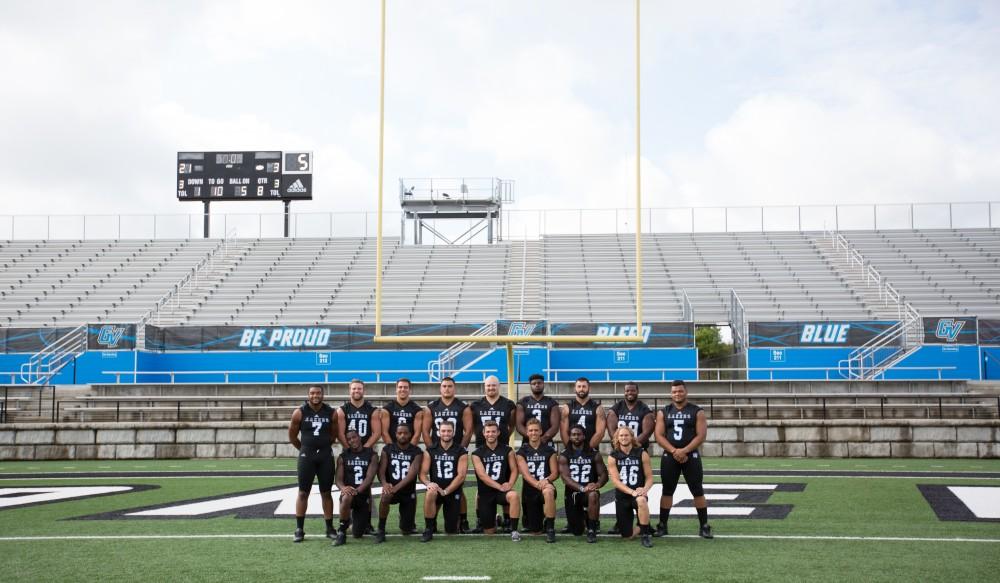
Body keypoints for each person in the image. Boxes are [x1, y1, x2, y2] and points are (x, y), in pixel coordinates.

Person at [654, 379, 713, 539]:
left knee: (697, 490)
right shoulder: (664, 411)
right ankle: (662, 525)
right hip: (669, 456)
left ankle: (704, 526)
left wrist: (685, 451)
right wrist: (674, 451)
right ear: (670, 393)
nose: (677, 394)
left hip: (691, 455)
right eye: (674, 392)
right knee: (667, 490)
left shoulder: (697, 411)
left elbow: (701, 435)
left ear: (685, 392)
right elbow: (658, 435)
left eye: (680, 391)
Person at [422, 376, 473, 531]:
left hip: (456, 451)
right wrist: (433, 450)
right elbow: (425, 430)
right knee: (434, 487)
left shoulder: (462, 407)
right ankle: (431, 524)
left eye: (450, 386)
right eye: (444, 386)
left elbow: (468, 430)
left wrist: (460, 450)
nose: (447, 389)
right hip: (437, 451)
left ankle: (463, 520)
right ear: (440, 388)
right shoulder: (432, 407)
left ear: (454, 388)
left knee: (458, 486)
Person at [287, 385, 336, 542]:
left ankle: (329, 528)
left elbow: (333, 435)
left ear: (323, 394)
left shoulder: (331, 412)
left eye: (318, 393)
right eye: (312, 393)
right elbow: (293, 436)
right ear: (308, 395)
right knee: (303, 492)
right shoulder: (300, 412)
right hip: (307, 456)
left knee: (326, 492)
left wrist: (321, 447)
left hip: (325, 455)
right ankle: (299, 529)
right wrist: (304, 448)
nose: (315, 395)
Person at [605, 381, 655, 534]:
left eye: (632, 390)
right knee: (622, 481)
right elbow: (612, 429)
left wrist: (632, 446)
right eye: (627, 390)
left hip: (637, 450)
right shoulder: (616, 408)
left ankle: (644, 524)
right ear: (624, 392)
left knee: (640, 486)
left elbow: (646, 431)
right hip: (620, 451)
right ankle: (621, 521)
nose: (630, 393)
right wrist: (621, 445)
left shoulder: (644, 409)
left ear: (637, 391)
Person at [471, 420, 522, 542]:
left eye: (493, 431)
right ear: (483, 433)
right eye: (488, 432)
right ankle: (496, 519)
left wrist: (510, 483)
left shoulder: (507, 450)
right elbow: (482, 476)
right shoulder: (477, 453)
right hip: (486, 492)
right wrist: (499, 486)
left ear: (498, 432)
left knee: (514, 495)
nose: (491, 434)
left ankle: (514, 530)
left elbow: (515, 470)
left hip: (502, 492)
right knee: (489, 532)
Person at [419, 420, 468, 542]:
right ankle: (429, 528)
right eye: (443, 431)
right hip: (436, 489)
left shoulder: (461, 451)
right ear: (438, 432)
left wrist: (446, 491)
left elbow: (461, 475)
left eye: (449, 431)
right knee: (430, 492)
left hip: (452, 491)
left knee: (451, 531)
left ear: (454, 432)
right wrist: (428, 483)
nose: (446, 433)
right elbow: (423, 474)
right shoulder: (431, 450)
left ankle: (459, 522)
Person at [375, 424, 423, 543]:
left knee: (406, 530)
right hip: (391, 489)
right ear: (395, 434)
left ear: (410, 434)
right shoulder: (388, 449)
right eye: (400, 433)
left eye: (405, 433)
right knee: (385, 496)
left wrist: (395, 488)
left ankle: (405, 520)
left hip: (407, 491)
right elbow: (381, 470)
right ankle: (381, 528)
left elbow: (412, 474)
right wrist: (385, 484)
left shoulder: (416, 451)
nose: (402, 435)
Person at [559, 424, 608, 543]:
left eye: (579, 434)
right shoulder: (564, 455)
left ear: (584, 436)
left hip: (589, 492)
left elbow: (604, 475)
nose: (576, 437)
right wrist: (581, 488)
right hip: (573, 493)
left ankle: (592, 529)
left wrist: (597, 485)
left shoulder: (594, 453)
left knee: (593, 495)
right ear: (570, 437)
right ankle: (584, 515)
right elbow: (565, 478)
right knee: (577, 531)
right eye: (573, 435)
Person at [607, 426, 654, 548]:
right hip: (623, 495)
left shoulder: (641, 453)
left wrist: (644, 489)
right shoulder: (613, 456)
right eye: (621, 435)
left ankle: (645, 534)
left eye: (626, 435)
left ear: (632, 437)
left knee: (642, 500)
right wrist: (631, 491)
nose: (624, 438)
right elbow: (616, 481)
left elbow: (649, 477)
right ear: (617, 438)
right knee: (627, 536)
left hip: (637, 493)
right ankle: (643, 523)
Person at [515, 418, 558, 542]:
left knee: (548, 491)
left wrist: (546, 481)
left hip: (545, 486)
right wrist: (538, 484)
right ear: (527, 433)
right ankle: (540, 521)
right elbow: (525, 474)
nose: (533, 433)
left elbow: (555, 473)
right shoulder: (522, 452)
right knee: (536, 531)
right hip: (530, 489)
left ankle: (550, 528)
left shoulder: (549, 450)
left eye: (536, 430)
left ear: (541, 432)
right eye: (531, 430)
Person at [332, 429, 378, 546]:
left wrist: (357, 491)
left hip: (362, 495)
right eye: (349, 439)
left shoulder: (371, 455)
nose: (352, 440)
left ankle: (355, 521)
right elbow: (338, 479)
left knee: (357, 534)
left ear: (359, 437)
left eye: (354, 437)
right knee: (346, 497)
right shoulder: (343, 457)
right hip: (349, 494)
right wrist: (343, 488)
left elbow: (369, 478)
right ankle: (342, 531)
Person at [560, 377, 605, 450]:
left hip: (591, 450)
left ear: (589, 388)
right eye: (579, 386)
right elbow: (563, 432)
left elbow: (600, 433)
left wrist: (588, 449)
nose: (581, 389)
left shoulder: (598, 408)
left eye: (584, 386)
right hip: (571, 450)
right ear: (575, 388)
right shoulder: (567, 407)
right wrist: (571, 448)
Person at [515, 373, 561, 445]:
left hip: (546, 442)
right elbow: (519, 425)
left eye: (539, 383)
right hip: (527, 442)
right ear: (530, 385)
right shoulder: (522, 402)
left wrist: (543, 438)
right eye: (534, 383)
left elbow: (555, 426)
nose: (537, 385)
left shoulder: (552, 403)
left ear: (543, 384)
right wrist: (532, 438)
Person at [471, 375, 517, 446]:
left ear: (499, 386)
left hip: (502, 445)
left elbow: (512, 426)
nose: (491, 388)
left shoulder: (509, 404)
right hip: (481, 446)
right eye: (488, 385)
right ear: (484, 386)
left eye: (494, 385)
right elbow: (471, 426)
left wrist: (504, 435)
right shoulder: (475, 405)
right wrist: (479, 434)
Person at [337, 379, 382, 448]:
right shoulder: (342, 410)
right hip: (348, 449)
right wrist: (349, 449)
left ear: (364, 391)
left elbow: (377, 433)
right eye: (354, 388)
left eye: (359, 389)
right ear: (350, 391)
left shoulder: (372, 410)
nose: (356, 391)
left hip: (367, 449)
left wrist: (364, 449)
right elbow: (340, 434)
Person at [380, 378, 424, 446]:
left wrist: (409, 450)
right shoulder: (387, 409)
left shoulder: (417, 410)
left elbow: (417, 434)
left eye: (405, 387)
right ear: (396, 389)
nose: (403, 389)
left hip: (410, 447)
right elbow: (384, 432)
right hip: (392, 446)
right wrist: (392, 449)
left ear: (410, 390)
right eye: (400, 387)